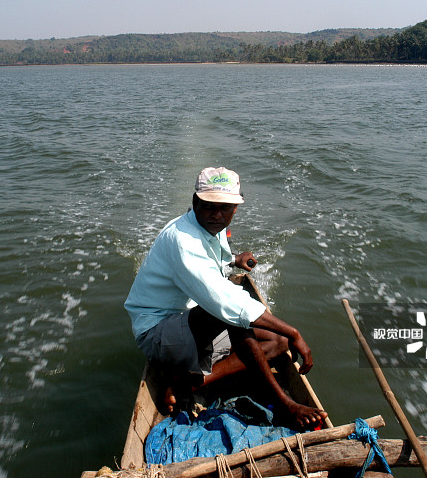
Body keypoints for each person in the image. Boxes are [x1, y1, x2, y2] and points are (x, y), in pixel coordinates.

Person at [124, 167, 327, 429]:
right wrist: (295, 332)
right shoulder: (182, 239)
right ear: (196, 203)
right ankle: (287, 405)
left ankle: (190, 381)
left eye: (225, 208)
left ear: (235, 209)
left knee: (278, 343)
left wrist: (232, 260)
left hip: (187, 325)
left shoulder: (211, 227)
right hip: (158, 335)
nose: (217, 214)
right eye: (209, 206)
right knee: (232, 316)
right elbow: (224, 303)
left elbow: (210, 262)